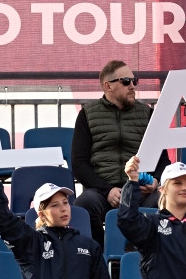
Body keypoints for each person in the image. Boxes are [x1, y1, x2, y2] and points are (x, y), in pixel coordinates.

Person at [71, 59, 172, 247]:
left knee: (164, 201)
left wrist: (156, 181)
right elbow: (78, 164)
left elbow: (163, 160)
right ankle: (102, 255)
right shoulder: (87, 114)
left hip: (140, 190)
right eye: (126, 81)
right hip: (101, 191)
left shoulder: (147, 114)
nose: (132, 86)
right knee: (83, 205)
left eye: (135, 80)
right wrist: (107, 190)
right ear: (108, 86)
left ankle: (148, 255)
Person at [0, 157, 109, 279]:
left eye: (65, 202)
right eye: (55, 205)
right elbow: (5, 222)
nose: (63, 208)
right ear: (41, 214)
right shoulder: (32, 242)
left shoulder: (89, 245)